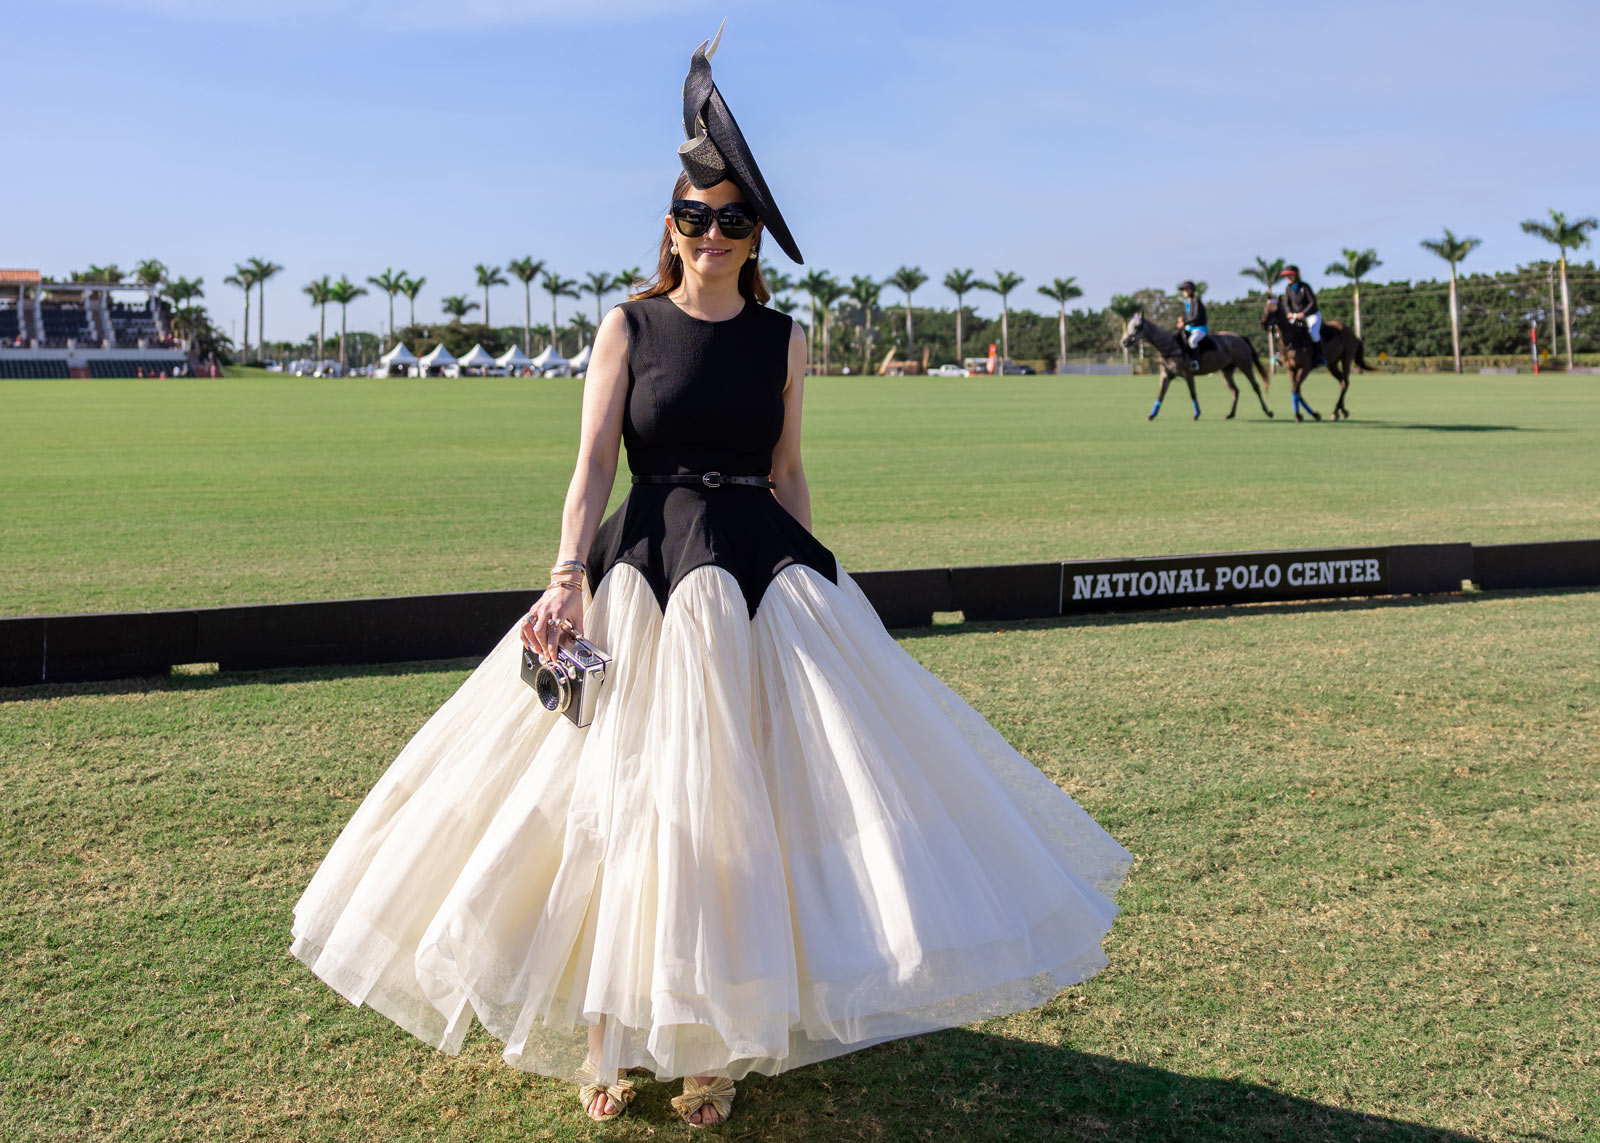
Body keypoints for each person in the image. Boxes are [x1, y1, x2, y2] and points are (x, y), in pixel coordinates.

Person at [289, 21, 1129, 1131]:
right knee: (615, 807)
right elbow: (592, 463)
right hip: (640, 574)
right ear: (671, 226)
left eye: (735, 218)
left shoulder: (783, 339)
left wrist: (826, 597)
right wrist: (563, 574)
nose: (715, 234)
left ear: (753, 233)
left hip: (755, 579)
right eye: (697, 217)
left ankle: (713, 1052)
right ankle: (607, 1036)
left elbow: (787, 473)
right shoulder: (626, 326)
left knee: (741, 811)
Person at [1278, 265, 1324, 365]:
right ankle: (1281, 355)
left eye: (1289, 275)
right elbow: (1286, 303)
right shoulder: (1288, 288)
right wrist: (1289, 312)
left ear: (1295, 276)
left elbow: (1312, 302)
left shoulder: (1304, 286)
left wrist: (1303, 313)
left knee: (1313, 333)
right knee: (1283, 331)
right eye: (1286, 276)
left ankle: (1319, 356)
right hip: (1296, 315)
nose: (1287, 278)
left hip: (1312, 315)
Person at [1177, 280, 1207, 372]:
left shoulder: (1196, 300)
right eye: (1183, 290)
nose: (1184, 291)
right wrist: (1183, 318)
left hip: (1200, 328)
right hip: (1190, 328)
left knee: (1192, 341)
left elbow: (1196, 317)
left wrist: (1184, 322)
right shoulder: (1188, 301)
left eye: (1186, 289)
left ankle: (1196, 362)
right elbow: (1190, 316)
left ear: (1191, 290)